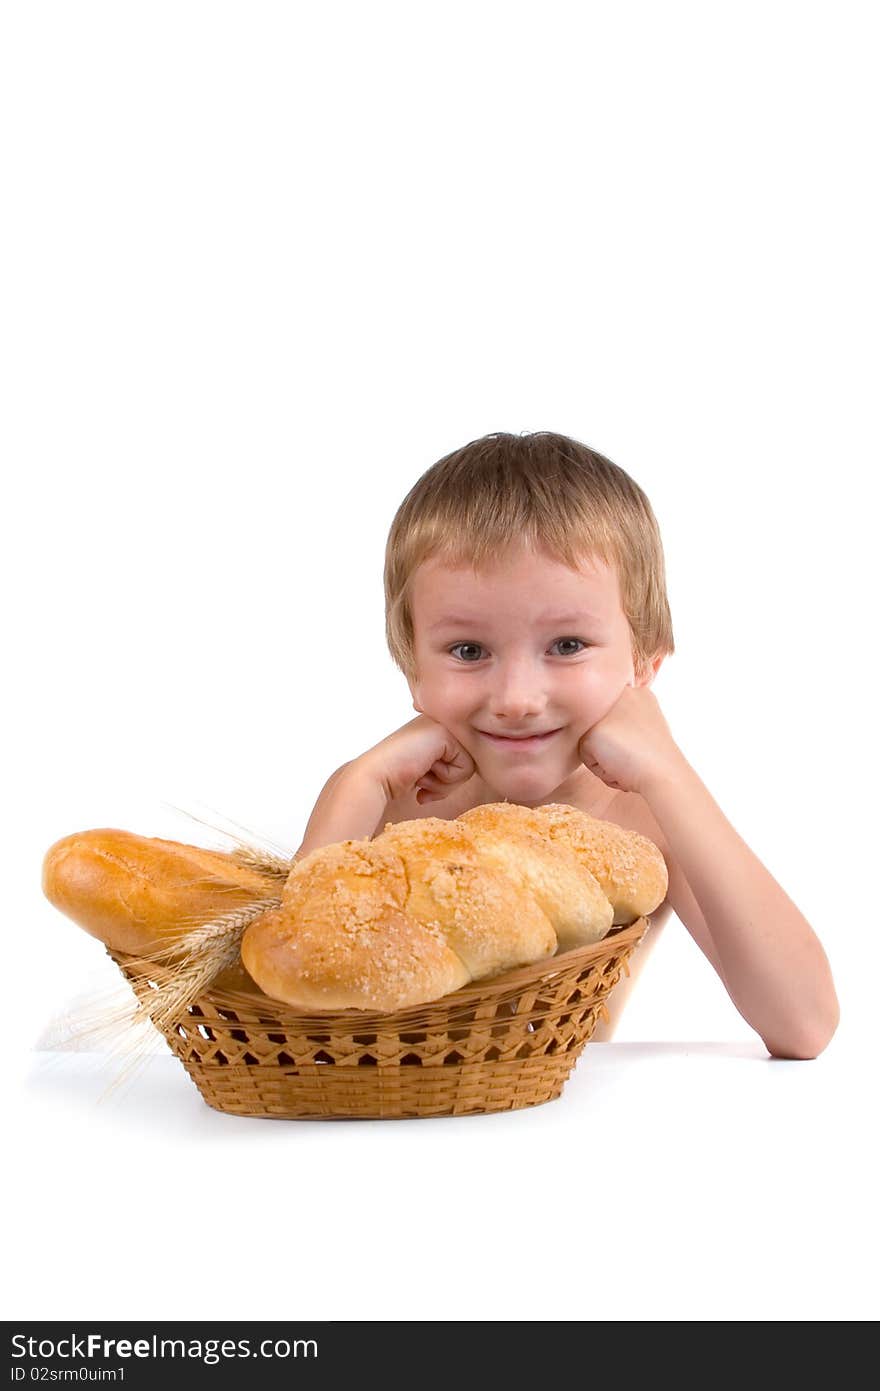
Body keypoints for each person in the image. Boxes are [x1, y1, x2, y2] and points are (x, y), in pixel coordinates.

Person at [295, 430, 839, 1059]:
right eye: (469, 651)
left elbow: (804, 1025)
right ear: (414, 671)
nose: (518, 697)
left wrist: (670, 776)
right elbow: (286, 993)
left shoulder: (649, 821)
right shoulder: (393, 811)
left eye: (567, 646)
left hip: (563, 1123)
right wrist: (355, 786)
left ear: (643, 662)